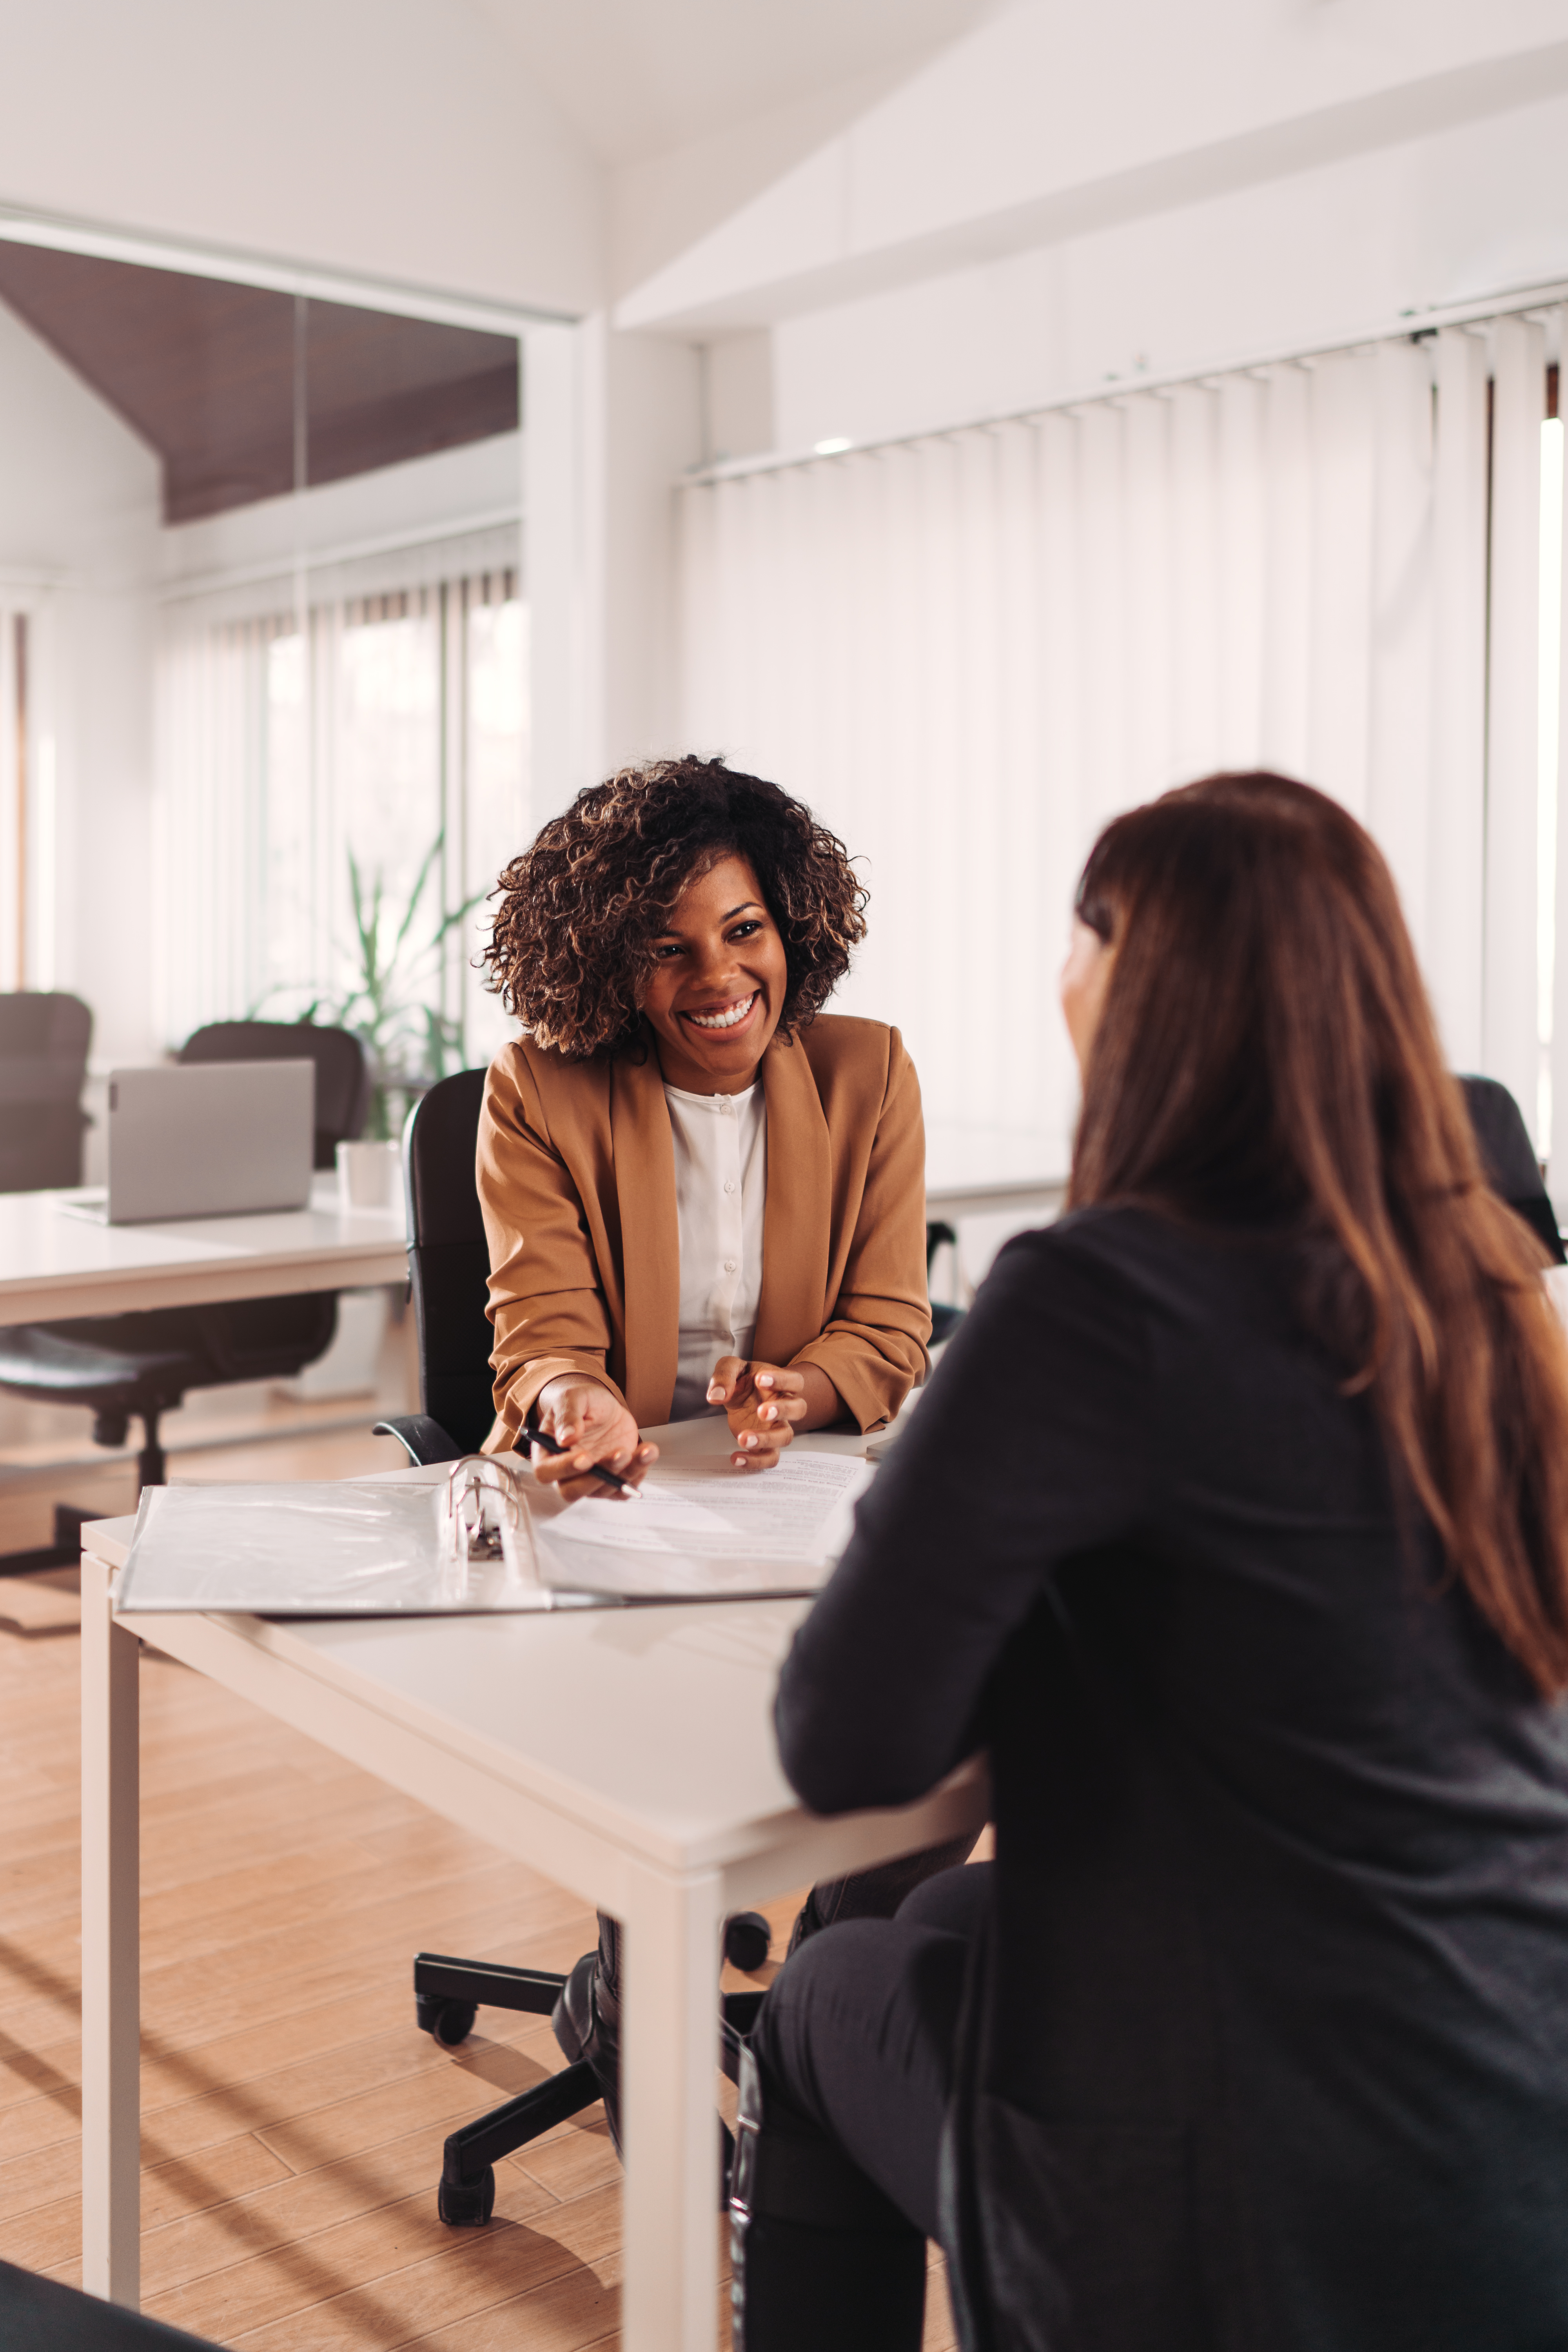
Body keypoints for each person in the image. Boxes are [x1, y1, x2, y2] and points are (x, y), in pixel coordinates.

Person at [730, 771, 1568, 2352]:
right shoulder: (1485, 1291)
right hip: (1507, 2122)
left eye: (1080, 935)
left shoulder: (1098, 1298)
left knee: (818, 1996)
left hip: (1260, 2228)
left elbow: (846, 1739)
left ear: (1143, 986)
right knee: (942, 1931)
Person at [475, 755, 971, 2151]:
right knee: (652, 1721)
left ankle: (822, 1990)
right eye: (666, 945)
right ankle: (632, 2013)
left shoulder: (866, 1073)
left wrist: (801, 1393)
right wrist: (581, 1403)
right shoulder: (541, 1088)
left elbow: (888, 1325)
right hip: (622, 1502)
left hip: (794, 1497)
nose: (715, 976)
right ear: (606, 964)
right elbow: (542, 1332)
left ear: (789, 930)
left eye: (742, 930)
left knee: (947, 1721)